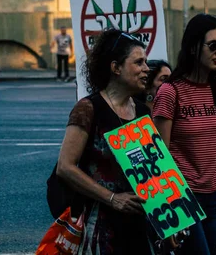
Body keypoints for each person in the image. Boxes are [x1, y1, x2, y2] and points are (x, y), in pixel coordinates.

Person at [153, 14, 216, 255]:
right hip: (181, 199)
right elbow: (159, 157)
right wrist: (168, 215)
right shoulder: (170, 92)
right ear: (192, 48)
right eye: (213, 45)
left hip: (212, 198)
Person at [56, 29, 155, 254]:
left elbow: (153, 172)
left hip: (140, 227)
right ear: (116, 68)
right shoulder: (89, 108)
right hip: (101, 226)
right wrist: (112, 198)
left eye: (146, 62)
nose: (146, 69)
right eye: (138, 62)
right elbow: (65, 167)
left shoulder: (142, 112)